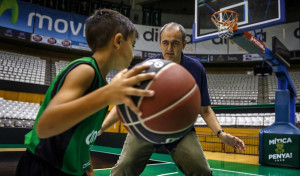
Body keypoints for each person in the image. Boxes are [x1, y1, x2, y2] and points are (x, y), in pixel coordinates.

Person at [15, 9, 155, 176]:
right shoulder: (85, 70)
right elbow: (46, 124)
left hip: (71, 169)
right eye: (131, 45)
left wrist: (87, 167)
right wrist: (108, 94)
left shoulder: (101, 83)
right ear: (118, 41)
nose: (132, 53)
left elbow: (81, 134)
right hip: (45, 167)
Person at [100, 22, 246, 176]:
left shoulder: (196, 69)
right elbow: (124, 102)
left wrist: (221, 134)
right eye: (166, 43)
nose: (169, 48)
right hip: (146, 127)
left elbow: (205, 110)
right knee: (123, 167)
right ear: (159, 43)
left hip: (181, 130)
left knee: (202, 171)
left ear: (184, 44)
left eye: (175, 43)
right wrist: (102, 126)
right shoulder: (147, 67)